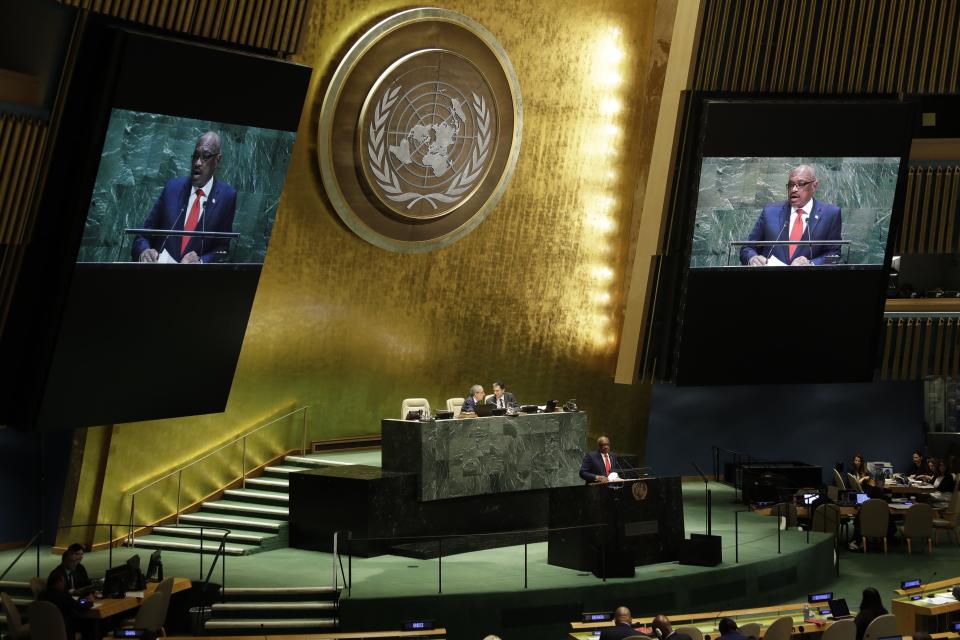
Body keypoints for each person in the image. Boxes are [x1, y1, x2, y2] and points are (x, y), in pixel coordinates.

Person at [132, 131, 237, 264]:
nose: (198, 163)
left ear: (217, 160)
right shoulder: (172, 188)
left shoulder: (227, 196)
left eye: (205, 156)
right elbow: (143, 235)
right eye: (196, 156)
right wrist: (144, 252)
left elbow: (222, 249)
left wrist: (201, 262)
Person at [740, 164, 842, 266]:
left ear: (814, 186)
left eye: (801, 184)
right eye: (790, 184)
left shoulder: (831, 214)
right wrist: (752, 258)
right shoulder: (770, 212)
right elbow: (747, 248)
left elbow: (835, 256)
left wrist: (812, 264)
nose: (794, 189)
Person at [39, 571, 95, 640]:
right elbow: (79, 607)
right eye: (63, 581)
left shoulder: (41, 596)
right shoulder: (63, 596)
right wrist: (89, 602)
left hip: (44, 629)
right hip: (64, 629)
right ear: (58, 582)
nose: (64, 584)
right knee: (91, 624)